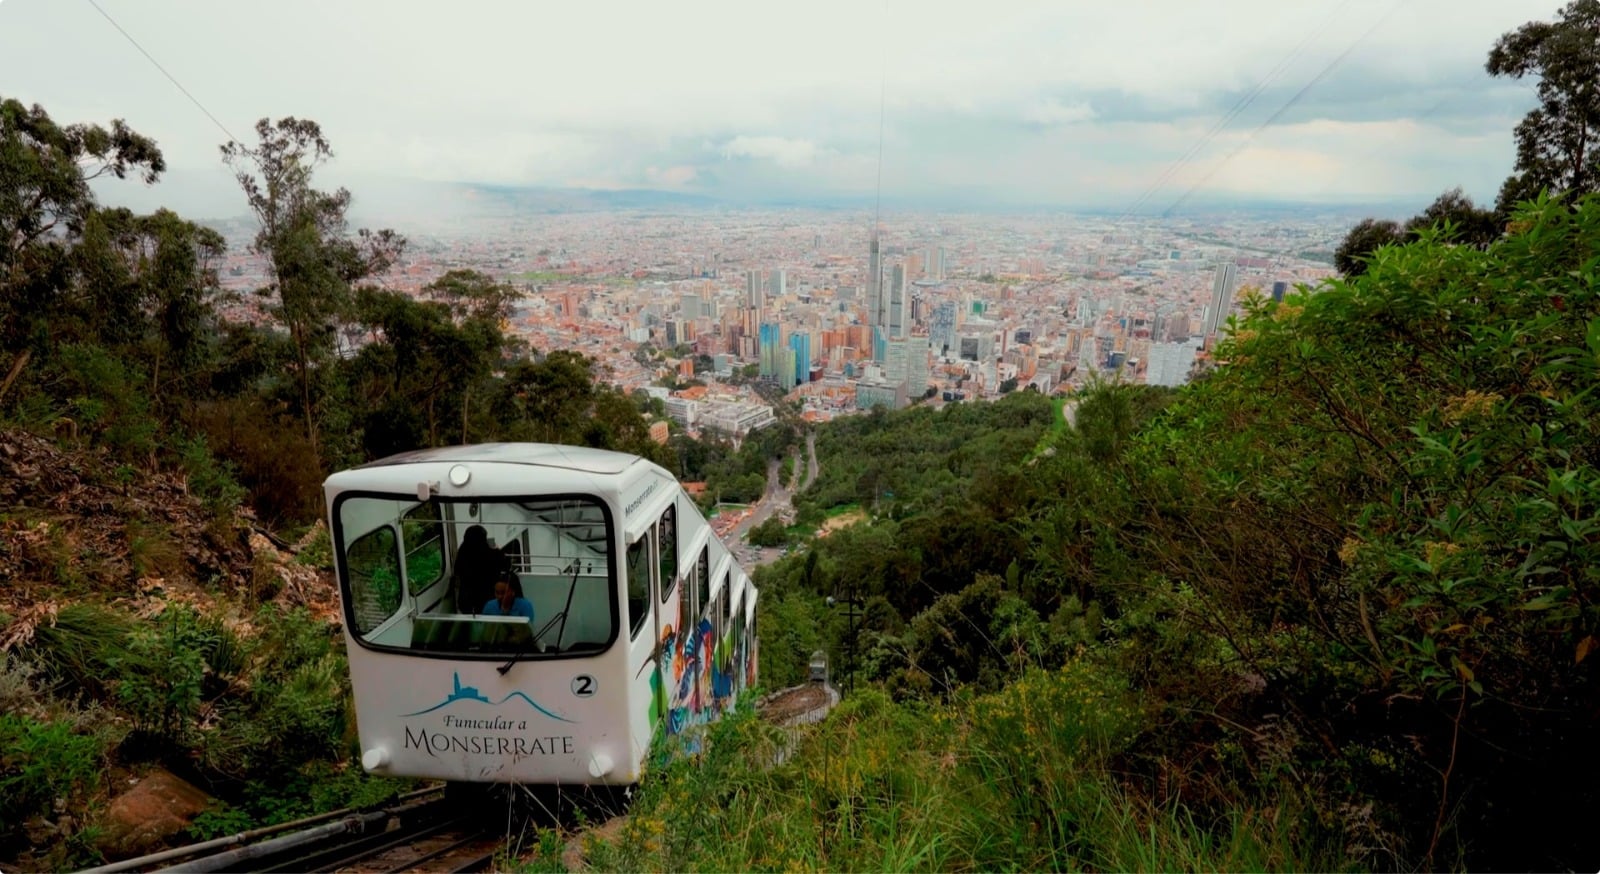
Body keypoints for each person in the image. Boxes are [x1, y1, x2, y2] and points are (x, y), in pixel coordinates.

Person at [453, 524, 506, 614]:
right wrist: (497, 550)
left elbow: (458, 571)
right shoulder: (489, 553)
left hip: (466, 600)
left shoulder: (462, 552)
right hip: (487, 597)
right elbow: (505, 564)